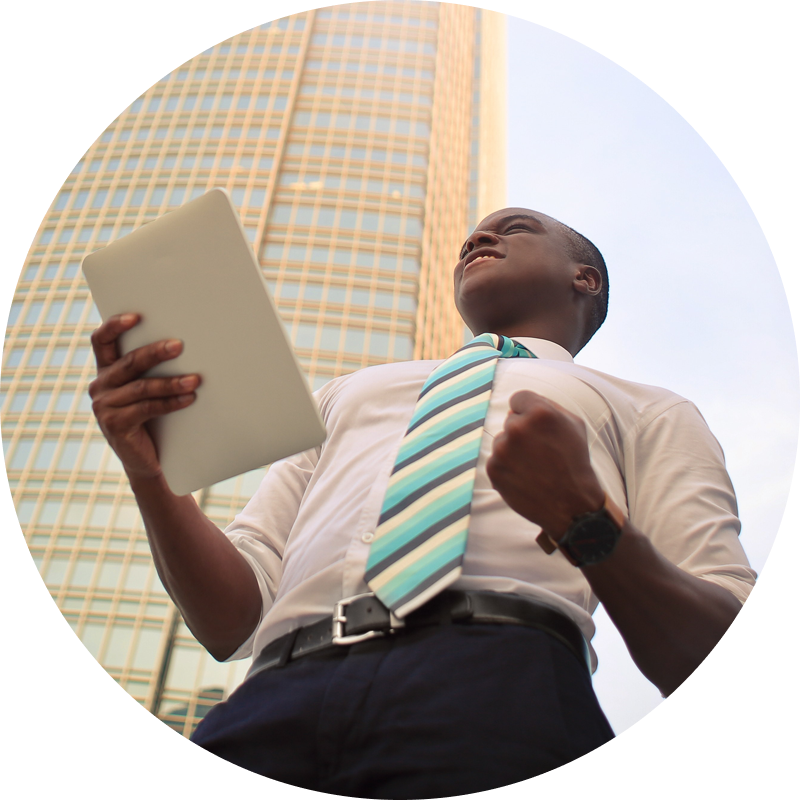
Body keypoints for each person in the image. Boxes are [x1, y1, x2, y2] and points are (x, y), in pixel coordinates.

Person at [89, 207, 768, 799]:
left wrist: (586, 520)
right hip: (269, 703)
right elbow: (231, 619)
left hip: (503, 690)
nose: (478, 238)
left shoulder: (648, 410)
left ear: (583, 278)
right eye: (472, 237)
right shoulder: (346, 395)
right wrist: (152, 476)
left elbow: (723, 672)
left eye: (513, 229)